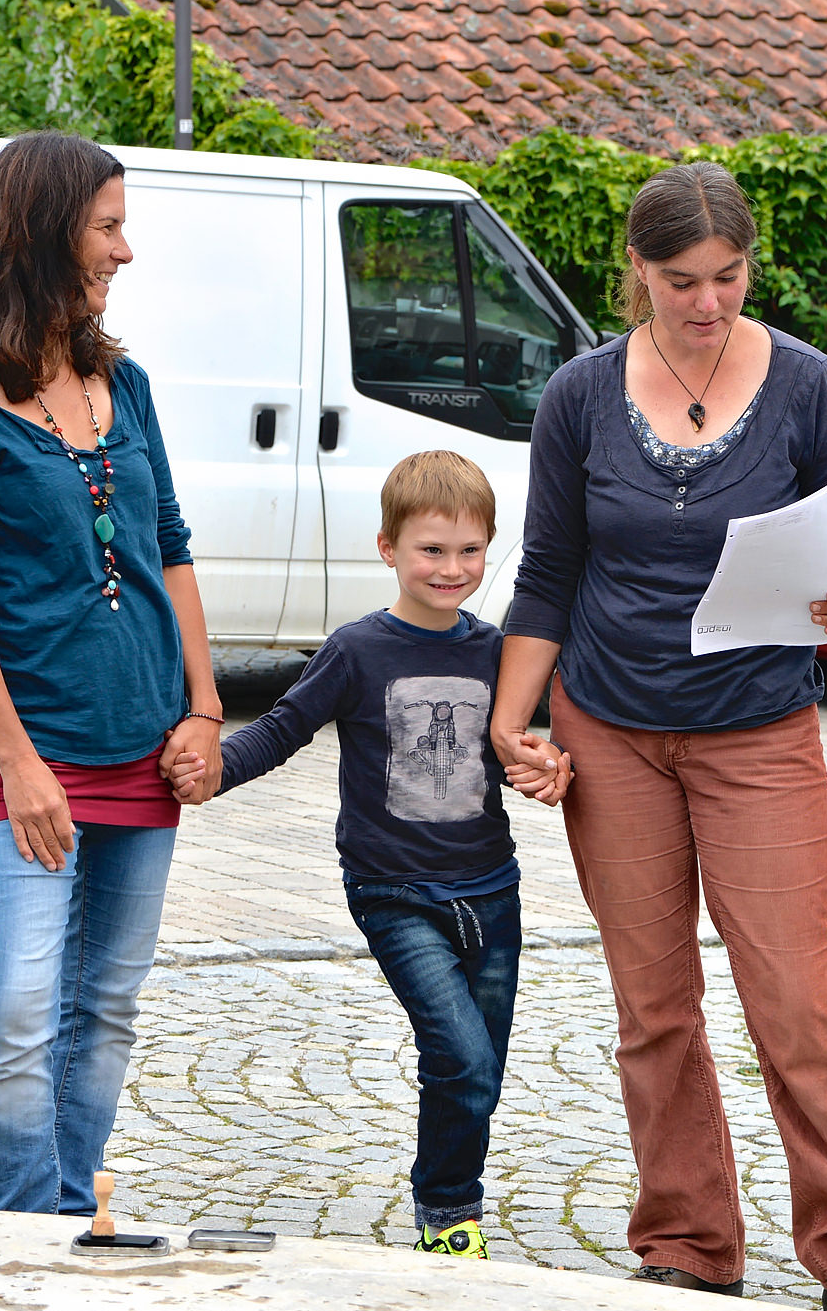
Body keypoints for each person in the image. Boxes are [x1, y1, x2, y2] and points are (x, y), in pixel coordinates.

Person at [490, 161, 827, 1311]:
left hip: (758, 732)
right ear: (636, 273)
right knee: (652, 1005)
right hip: (611, 732)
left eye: (727, 278)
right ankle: (687, 1240)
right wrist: (514, 720)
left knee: (792, 995)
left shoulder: (810, 390)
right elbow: (549, 574)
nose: (706, 303)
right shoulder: (577, 396)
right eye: (680, 282)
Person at [0, 130, 223, 1216]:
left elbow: (169, 545)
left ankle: (71, 1213)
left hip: (143, 748)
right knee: (22, 1008)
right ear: (41, 235)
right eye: (108, 226)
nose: (125, 252)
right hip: (23, 763)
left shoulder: (119, 384)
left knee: (108, 1008)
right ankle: (12, 1245)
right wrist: (21, 764)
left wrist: (207, 708)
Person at [174, 452, 549, 1257]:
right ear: (387, 548)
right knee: (459, 1053)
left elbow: (529, 745)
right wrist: (215, 772)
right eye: (430, 550)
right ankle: (448, 1215)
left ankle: (453, 1209)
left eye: (468, 551)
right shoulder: (356, 650)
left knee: (476, 1069)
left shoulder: (498, 652)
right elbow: (282, 729)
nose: (451, 569)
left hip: (491, 891)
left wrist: (548, 768)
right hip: (392, 892)